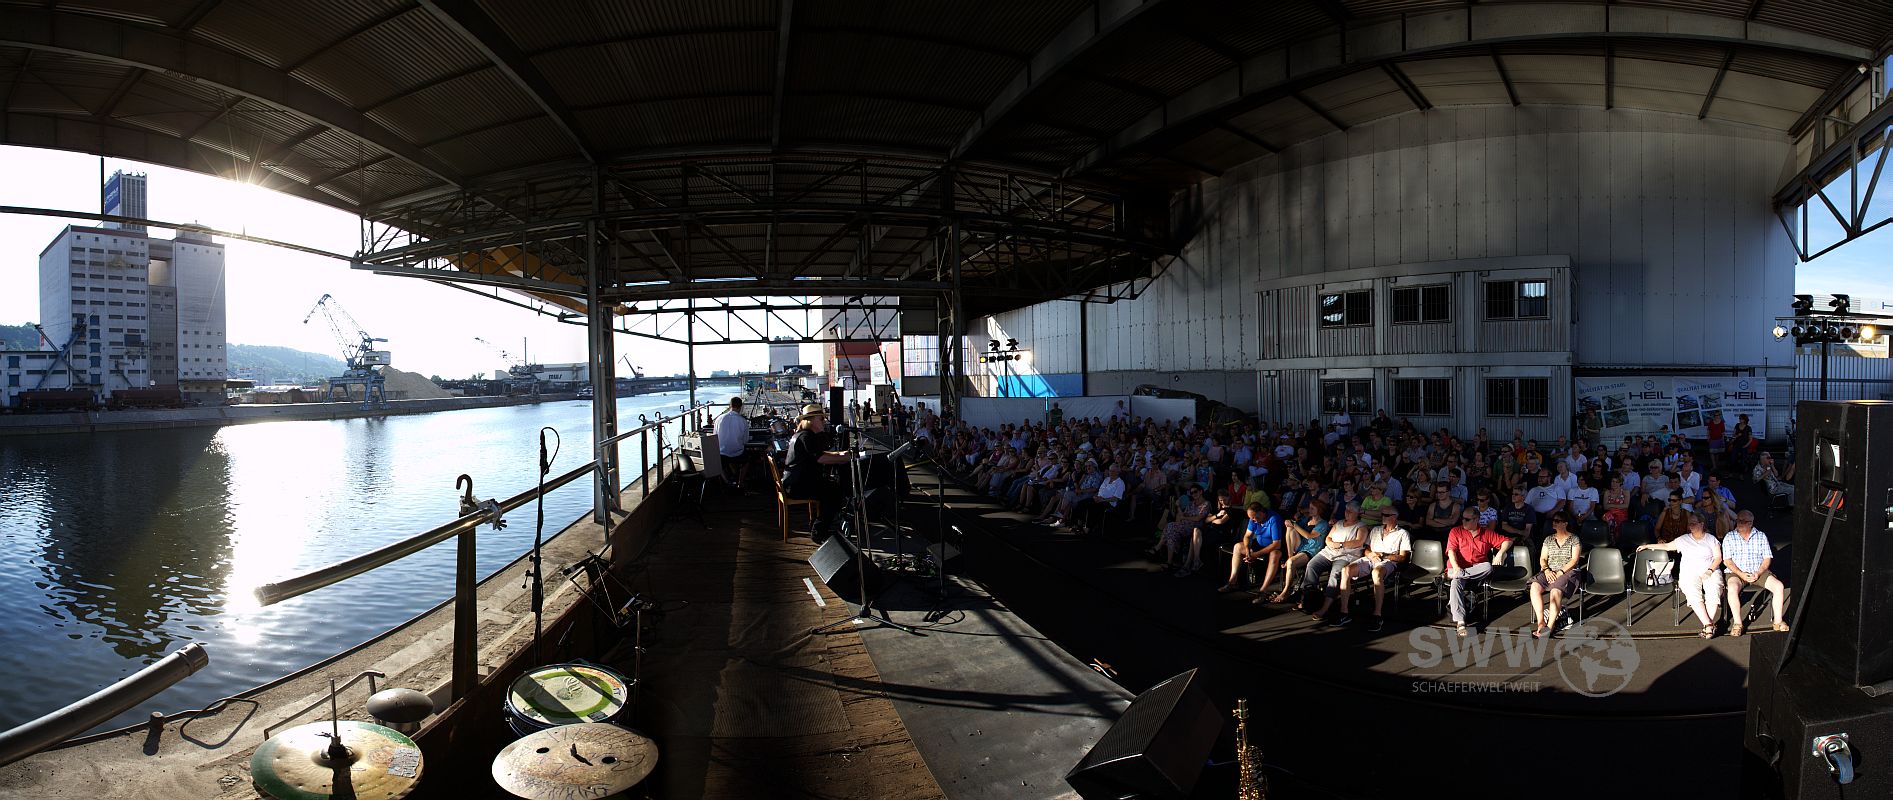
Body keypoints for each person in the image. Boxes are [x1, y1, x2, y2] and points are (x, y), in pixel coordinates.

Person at [1319, 509, 1410, 631]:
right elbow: (1366, 549)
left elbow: (1402, 557)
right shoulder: (1376, 530)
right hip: (1371, 558)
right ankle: (1344, 612)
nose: (1383, 516)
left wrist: (1384, 555)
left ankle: (1377, 615)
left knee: (1376, 573)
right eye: (1382, 514)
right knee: (1346, 571)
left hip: (1388, 560)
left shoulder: (1402, 533)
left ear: (1394, 517)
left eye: (1386, 515)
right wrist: (1370, 554)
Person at [1638, 512, 1724, 638]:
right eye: (1690, 524)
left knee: (1714, 589)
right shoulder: (1684, 539)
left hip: (1710, 570)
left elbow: (1718, 558)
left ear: (1702, 524)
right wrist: (1647, 546)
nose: (1691, 526)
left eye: (1694, 523)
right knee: (1691, 590)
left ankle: (1708, 626)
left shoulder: (1711, 539)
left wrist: (1710, 570)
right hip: (1689, 571)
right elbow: (1667, 546)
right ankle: (1709, 625)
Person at [781, 404, 854, 542]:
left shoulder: (802, 434)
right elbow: (821, 459)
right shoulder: (806, 437)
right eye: (821, 419)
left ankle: (820, 524)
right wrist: (845, 458)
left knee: (832, 488)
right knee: (835, 492)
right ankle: (818, 531)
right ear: (812, 420)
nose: (824, 422)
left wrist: (840, 454)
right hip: (798, 486)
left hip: (795, 482)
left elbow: (819, 454)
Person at [1445, 511, 1515, 637]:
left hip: (1477, 569)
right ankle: (1460, 622)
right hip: (1458, 568)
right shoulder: (1456, 531)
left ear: (1476, 519)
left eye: (1467, 519)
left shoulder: (1486, 533)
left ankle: (1451, 576)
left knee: (1488, 566)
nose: (1463, 521)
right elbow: (1451, 551)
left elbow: (1507, 541)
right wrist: (1456, 568)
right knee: (1455, 583)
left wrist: (1500, 553)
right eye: (1462, 518)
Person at [1721, 510, 1789, 635]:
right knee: (1732, 587)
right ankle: (1738, 623)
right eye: (1738, 520)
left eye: (1743, 521)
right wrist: (1741, 574)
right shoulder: (1729, 537)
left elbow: (1767, 558)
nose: (1739, 523)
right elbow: (1727, 561)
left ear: (1751, 523)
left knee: (1779, 586)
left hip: (1758, 571)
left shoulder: (1761, 536)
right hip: (1737, 572)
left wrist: (1759, 572)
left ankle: (1778, 621)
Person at [1299, 502, 1367, 613]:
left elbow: (1358, 542)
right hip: (1329, 552)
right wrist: (1331, 543)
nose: (1347, 513)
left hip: (1346, 556)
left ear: (1357, 513)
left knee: (1335, 574)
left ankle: (1326, 605)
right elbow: (1328, 538)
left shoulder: (1361, 526)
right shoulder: (1339, 523)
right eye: (1346, 510)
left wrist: (1340, 544)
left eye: (1350, 511)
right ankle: (1308, 598)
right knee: (1312, 565)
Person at [1529, 513, 1584, 638]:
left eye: (1558, 521)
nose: (1554, 522)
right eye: (1553, 520)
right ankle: (1541, 622)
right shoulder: (1548, 539)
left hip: (1569, 572)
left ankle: (1550, 626)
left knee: (1555, 591)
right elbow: (1543, 558)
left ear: (1565, 523)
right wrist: (1547, 570)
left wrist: (1560, 572)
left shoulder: (1574, 539)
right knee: (1535, 586)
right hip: (1550, 570)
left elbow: (1574, 560)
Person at [1269, 501, 1331, 604]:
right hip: (1301, 546)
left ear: (1319, 510)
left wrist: (1294, 524)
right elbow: (1293, 526)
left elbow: (1309, 536)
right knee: (1290, 528)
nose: (1309, 510)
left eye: (1312, 508)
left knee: (1291, 562)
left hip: (1312, 550)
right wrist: (1292, 521)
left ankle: (1286, 590)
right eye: (1309, 508)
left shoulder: (1323, 524)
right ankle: (1290, 556)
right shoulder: (1307, 519)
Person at [1221, 503, 1284, 595]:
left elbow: (1277, 544)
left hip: (1272, 547)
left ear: (1261, 513)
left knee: (1275, 555)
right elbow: (1247, 536)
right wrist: (1247, 549)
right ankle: (1232, 582)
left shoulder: (1274, 519)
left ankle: (1263, 590)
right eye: (1251, 518)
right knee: (1238, 547)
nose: (1253, 520)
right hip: (1259, 544)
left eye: (1255, 517)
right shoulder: (1253, 519)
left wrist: (1256, 554)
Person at [713, 396, 756, 489]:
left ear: (730, 405)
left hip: (722, 453)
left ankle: (727, 482)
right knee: (747, 460)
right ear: (741, 407)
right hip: (737, 453)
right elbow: (745, 441)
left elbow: (714, 437)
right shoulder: (743, 421)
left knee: (719, 463)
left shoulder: (719, 419)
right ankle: (740, 482)